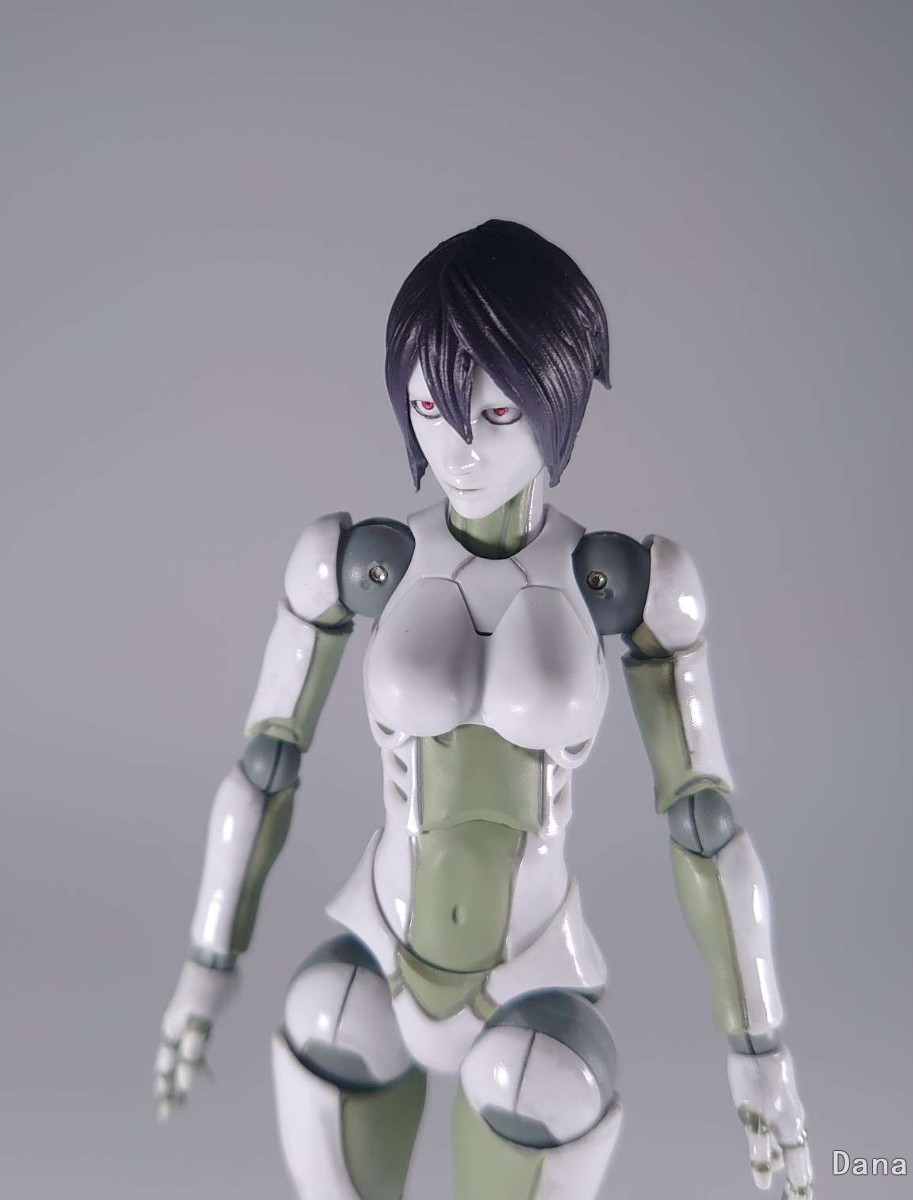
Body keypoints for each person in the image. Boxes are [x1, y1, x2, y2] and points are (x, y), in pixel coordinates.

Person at [154, 219, 815, 1200]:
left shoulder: (624, 585)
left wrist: (760, 1047)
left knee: (540, 1083)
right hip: (377, 953)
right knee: (324, 1014)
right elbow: (265, 766)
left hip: (531, 979)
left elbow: (704, 822)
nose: (457, 445)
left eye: (496, 410)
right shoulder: (359, 562)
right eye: (429, 405)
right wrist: (207, 964)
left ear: (555, 395)